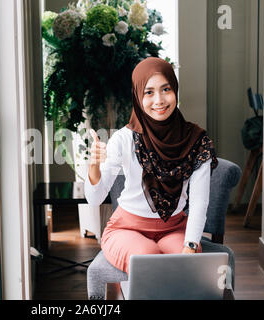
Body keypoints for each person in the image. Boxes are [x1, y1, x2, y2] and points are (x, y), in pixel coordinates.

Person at [84, 57, 219, 274]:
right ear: (138, 96)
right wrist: (94, 166)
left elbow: (199, 201)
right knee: (147, 259)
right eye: (149, 92)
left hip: (175, 228)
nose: (159, 100)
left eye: (166, 89)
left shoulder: (197, 140)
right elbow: (94, 198)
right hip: (126, 228)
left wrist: (191, 245)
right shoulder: (124, 139)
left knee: (186, 270)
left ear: (175, 89)